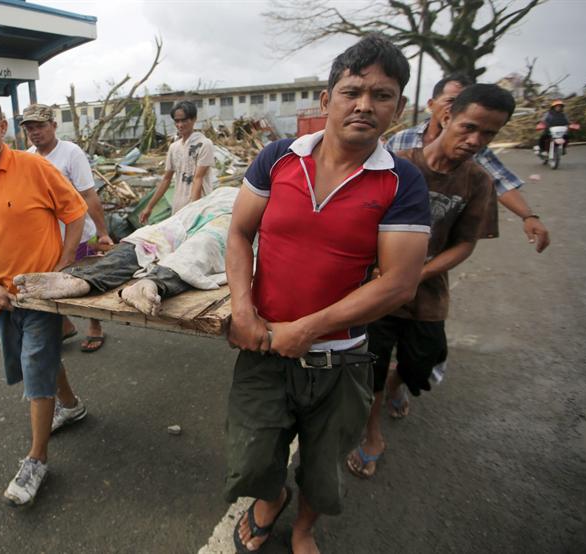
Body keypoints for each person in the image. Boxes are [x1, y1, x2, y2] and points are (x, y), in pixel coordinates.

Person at [224, 35, 431, 554]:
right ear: (326, 99)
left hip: (341, 358)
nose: (364, 105)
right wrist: (242, 310)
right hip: (264, 346)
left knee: (324, 466)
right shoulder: (278, 158)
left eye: (381, 95)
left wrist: (310, 329)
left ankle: (303, 528)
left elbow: (399, 283)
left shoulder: (402, 182)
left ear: (398, 107)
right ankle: (272, 498)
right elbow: (239, 233)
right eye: (352, 91)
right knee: (252, 455)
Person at [347, 84, 512, 479]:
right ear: (446, 116)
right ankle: (372, 432)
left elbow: (465, 243)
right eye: (469, 127)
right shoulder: (397, 165)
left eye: (488, 134)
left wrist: (417, 273)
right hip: (378, 286)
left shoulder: (478, 182)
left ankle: (398, 381)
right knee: (371, 364)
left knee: (422, 362)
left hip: (428, 292)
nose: (476, 141)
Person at [0, 93, 89, 507]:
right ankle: (71, 406)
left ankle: (36, 459)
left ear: (1, 127)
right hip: (1, 299)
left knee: (35, 365)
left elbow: (75, 211)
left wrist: (62, 265)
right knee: (37, 359)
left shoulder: (34, 168)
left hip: (39, 296)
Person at [386, 73, 551, 253]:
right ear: (433, 105)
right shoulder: (401, 142)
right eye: (451, 100)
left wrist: (528, 216)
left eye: (488, 133)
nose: (474, 140)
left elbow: (500, 181)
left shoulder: (475, 162)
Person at [13, 186, 239, 316]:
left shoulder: (244, 194)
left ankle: (147, 284)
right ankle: (84, 280)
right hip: (198, 215)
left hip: (227, 219)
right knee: (148, 241)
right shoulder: (229, 191)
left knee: (198, 245)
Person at [22, 103, 113, 353]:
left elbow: (88, 194)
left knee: (84, 280)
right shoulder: (27, 158)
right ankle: (65, 325)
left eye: (40, 126)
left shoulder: (71, 153)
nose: (35, 132)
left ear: (53, 125)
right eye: (30, 128)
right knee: (52, 280)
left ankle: (95, 325)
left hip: (79, 233)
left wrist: (103, 233)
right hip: (47, 236)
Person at [139, 100, 215, 223]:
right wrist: (149, 207)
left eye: (184, 120)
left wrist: (195, 211)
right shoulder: (174, 147)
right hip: (179, 206)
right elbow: (166, 179)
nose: (180, 125)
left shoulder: (204, 144)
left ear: (194, 119)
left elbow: (198, 179)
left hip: (199, 207)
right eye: (177, 121)